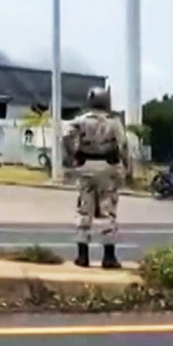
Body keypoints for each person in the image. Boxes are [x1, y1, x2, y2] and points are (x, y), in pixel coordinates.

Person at [64, 86, 129, 269]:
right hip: (108, 167)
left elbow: (66, 136)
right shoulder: (113, 121)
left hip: (85, 166)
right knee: (108, 210)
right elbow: (123, 146)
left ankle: (82, 256)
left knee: (84, 210)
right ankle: (109, 257)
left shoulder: (81, 120)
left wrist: (73, 155)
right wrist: (127, 167)